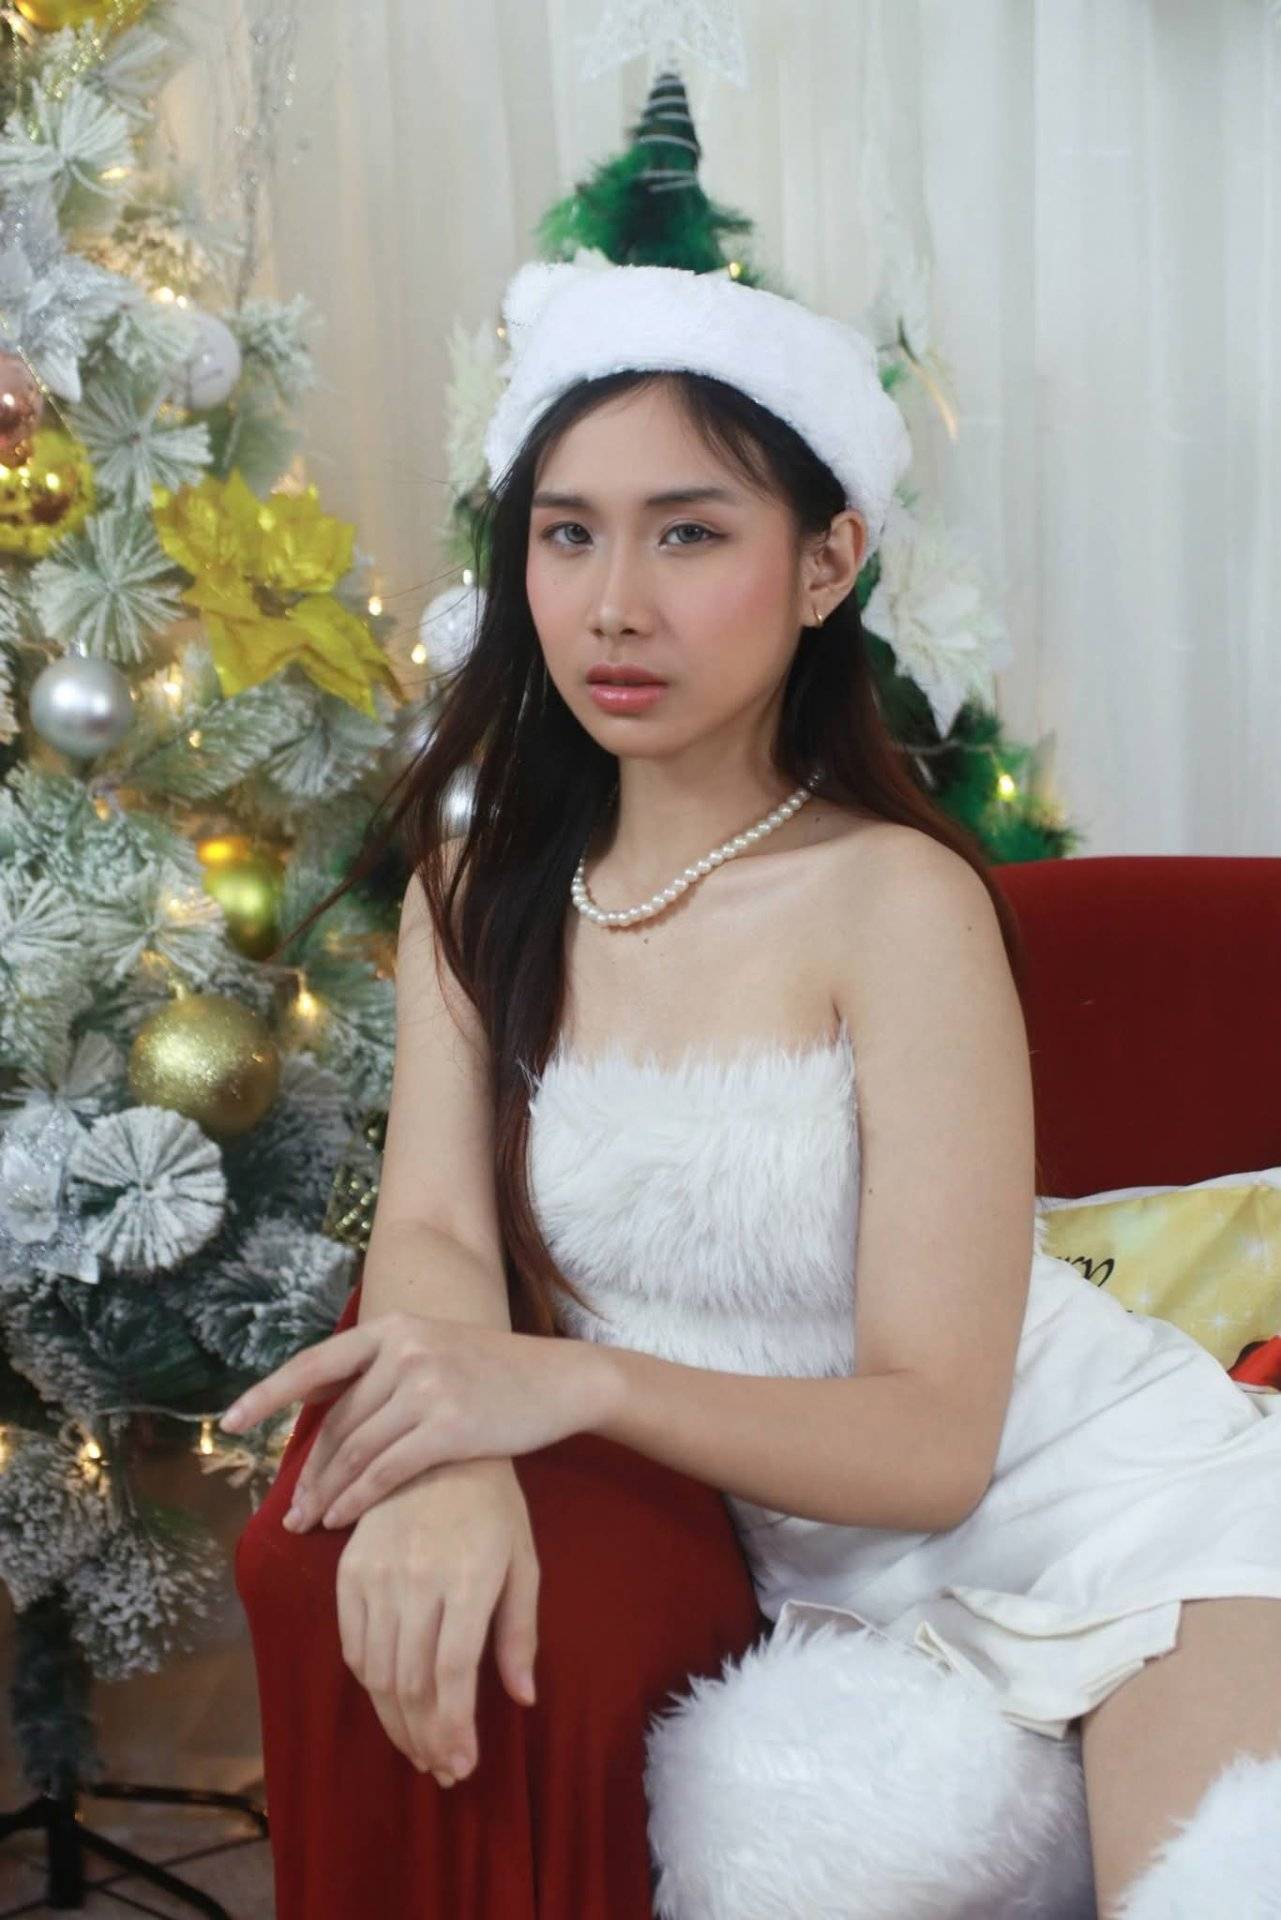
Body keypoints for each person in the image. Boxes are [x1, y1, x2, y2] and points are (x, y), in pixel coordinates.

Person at [232, 260, 1281, 1920]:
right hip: (838, 1611)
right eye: (566, 534)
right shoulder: (477, 895)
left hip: (1123, 1522)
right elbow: (431, 1232)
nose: (613, 604)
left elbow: (932, 1444)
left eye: (688, 533)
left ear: (825, 564)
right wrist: (447, 1454)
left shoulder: (896, 905)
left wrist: (566, 1385)